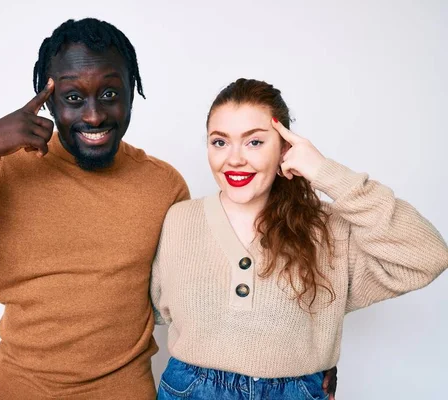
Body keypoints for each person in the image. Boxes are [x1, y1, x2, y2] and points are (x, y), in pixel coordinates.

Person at [0, 18, 190, 399]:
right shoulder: (8, 170)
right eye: (73, 98)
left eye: (109, 94)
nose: (93, 116)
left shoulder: (163, 185)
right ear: (48, 101)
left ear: (131, 94)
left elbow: (190, 298)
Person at [151, 78, 448, 400]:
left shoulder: (329, 227)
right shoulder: (179, 220)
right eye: (220, 142)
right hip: (191, 390)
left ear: (285, 148)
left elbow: (428, 255)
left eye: (254, 142)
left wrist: (325, 172)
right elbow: (143, 310)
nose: (234, 159)